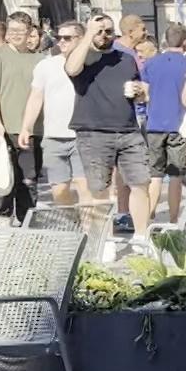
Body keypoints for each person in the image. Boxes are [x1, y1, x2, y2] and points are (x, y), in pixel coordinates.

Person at [62, 15, 153, 245]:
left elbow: (141, 89)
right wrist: (87, 36)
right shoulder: (82, 56)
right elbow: (72, 69)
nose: (104, 35)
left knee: (140, 183)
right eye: (100, 31)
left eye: (109, 31)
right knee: (99, 191)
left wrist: (140, 91)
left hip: (128, 129)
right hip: (94, 131)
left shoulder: (125, 59)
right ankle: (106, 240)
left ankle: (141, 236)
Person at [0, 12, 44, 224]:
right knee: (5, 178)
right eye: (12, 30)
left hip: (31, 129)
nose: (16, 35)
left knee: (28, 179)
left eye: (20, 31)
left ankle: (27, 221)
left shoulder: (40, 59)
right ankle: (4, 218)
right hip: (2, 129)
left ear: (30, 33)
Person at [18, 21, 86, 206]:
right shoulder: (46, 65)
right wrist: (26, 127)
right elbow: (35, 98)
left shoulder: (90, 63)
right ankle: (72, 227)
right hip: (54, 136)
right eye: (58, 38)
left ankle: (92, 231)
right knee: (59, 191)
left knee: (85, 189)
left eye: (67, 38)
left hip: (83, 135)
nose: (61, 42)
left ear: (81, 39)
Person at [140, 26, 186, 223]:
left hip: (154, 123)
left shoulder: (151, 63)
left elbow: (145, 94)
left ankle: (148, 216)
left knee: (154, 175)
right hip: (179, 124)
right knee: (175, 175)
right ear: (185, 41)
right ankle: (173, 219)